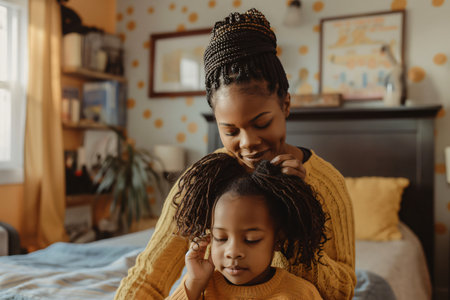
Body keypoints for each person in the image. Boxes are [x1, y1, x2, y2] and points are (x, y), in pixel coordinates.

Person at [115, 8, 355, 300]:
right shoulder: (202, 182)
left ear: (286, 105)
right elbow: (149, 276)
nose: (248, 142)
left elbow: (342, 292)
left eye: (262, 123)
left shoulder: (327, 183)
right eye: (230, 131)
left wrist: (298, 221)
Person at [168, 153, 326, 299]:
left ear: (277, 239)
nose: (233, 252)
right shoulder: (200, 286)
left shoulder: (299, 294)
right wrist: (195, 282)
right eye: (221, 238)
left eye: (251, 240)